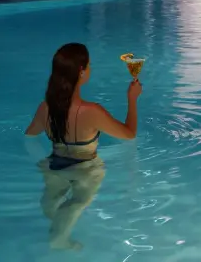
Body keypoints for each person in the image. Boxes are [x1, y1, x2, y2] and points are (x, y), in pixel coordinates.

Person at [25, 43, 142, 249]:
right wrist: (132, 100)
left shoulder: (45, 108)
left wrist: (38, 159)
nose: (91, 69)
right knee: (78, 201)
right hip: (86, 168)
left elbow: (30, 136)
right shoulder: (92, 111)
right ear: (81, 72)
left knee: (51, 199)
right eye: (89, 66)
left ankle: (55, 221)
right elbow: (129, 134)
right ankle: (58, 240)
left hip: (54, 164)